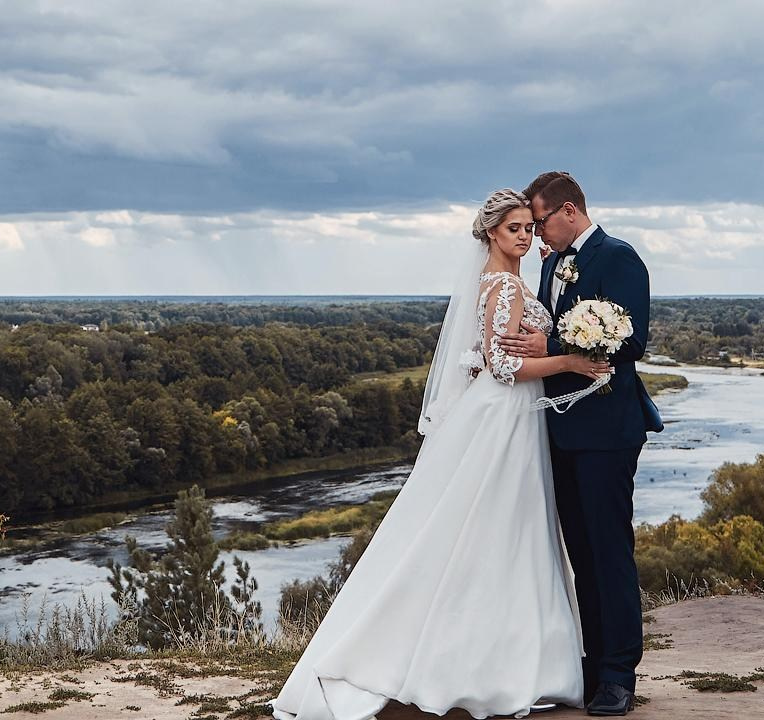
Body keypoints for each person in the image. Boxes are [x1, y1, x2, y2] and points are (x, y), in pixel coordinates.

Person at [272, 191, 609, 720]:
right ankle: (483, 666)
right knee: (494, 531)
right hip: (503, 419)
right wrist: (572, 359)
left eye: (528, 227)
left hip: (508, 418)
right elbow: (503, 367)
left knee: (502, 532)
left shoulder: (503, 281)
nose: (524, 235)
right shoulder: (502, 284)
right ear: (491, 234)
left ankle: (504, 659)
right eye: (514, 228)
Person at [502, 170, 658, 717]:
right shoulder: (550, 264)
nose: (538, 236)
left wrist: (558, 340)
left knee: (608, 551)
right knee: (579, 553)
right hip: (559, 430)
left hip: (607, 431)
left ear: (569, 210)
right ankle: (590, 666)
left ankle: (618, 674)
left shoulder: (619, 258)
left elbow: (633, 338)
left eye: (541, 222)